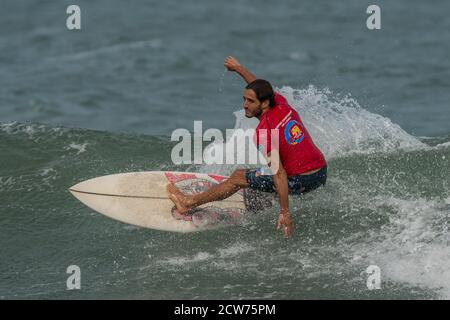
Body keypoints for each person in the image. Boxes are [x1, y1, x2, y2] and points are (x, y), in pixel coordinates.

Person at [167, 56, 327, 237]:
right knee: (259, 175)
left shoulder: (264, 132)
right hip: (321, 172)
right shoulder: (282, 105)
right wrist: (238, 68)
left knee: (238, 177)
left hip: (302, 181)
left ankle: (187, 203)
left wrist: (285, 212)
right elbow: (259, 86)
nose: (244, 106)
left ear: (264, 103)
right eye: (244, 99)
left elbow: (279, 173)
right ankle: (263, 200)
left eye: (250, 101)